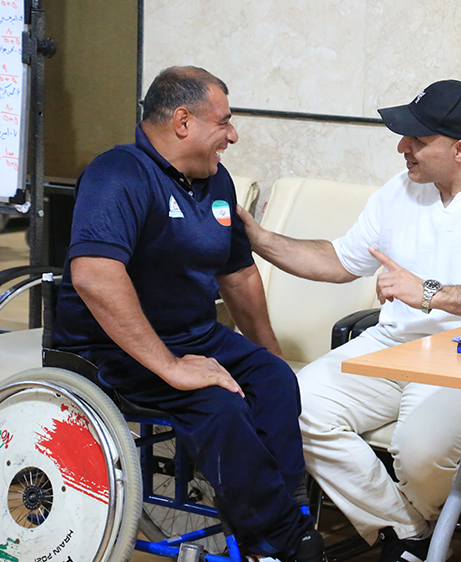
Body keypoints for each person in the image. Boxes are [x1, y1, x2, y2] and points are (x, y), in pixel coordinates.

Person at [238, 79, 461, 562]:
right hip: (393, 344)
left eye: (417, 139)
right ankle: (407, 532)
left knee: (419, 452)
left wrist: (429, 293)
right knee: (293, 404)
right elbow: (338, 260)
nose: (402, 148)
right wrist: (260, 238)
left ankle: (406, 534)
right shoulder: (401, 191)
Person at [52, 66, 323, 562]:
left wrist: (268, 352)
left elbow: (238, 275)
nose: (233, 135)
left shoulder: (216, 180)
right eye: (224, 122)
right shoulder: (118, 174)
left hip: (194, 335)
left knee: (275, 380)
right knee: (218, 405)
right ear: (183, 122)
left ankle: (286, 518)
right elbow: (94, 276)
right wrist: (173, 367)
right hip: (108, 348)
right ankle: (279, 541)